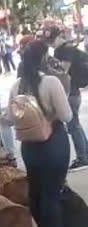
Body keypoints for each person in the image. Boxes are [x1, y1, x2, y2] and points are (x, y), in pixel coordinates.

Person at [7, 40, 72, 227]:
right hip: (54, 142)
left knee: (36, 191)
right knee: (52, 193)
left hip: (29, 147)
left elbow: (8, 118)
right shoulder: (52, 82)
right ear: (44, 58)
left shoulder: (17, 86)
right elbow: (66, 116)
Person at [47, 26, 88, 170]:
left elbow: (64, 70)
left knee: (73, 125)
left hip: (72, 92)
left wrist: (50, 63)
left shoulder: (66, 49)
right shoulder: (62, 49)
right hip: (72, 90)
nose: (51, 43)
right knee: (75, 124)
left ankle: (83, 157)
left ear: (59, 36)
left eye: (52, 39)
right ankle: (85, 155)